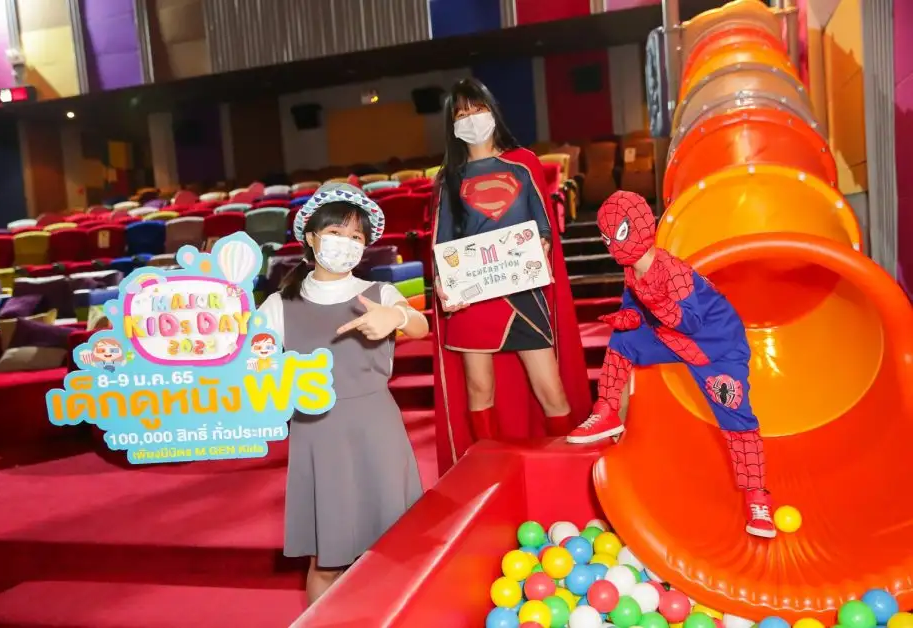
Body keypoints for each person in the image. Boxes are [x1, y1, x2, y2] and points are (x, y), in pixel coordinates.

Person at [566, 190, 775, 539]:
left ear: (640, 228)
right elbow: (634, 308)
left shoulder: (673, 272)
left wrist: (656, 303)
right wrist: (626, 317)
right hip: (672, 340)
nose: (612, 245)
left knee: (737, 421)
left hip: (716, 349)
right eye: (607, 238)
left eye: (617, 234)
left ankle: (758, 498)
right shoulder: (632, 271)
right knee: (622, 341)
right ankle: (607, 411)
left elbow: (690, 322)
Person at [258, 182, 427, 604]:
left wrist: (397, 316)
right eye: (336, 232)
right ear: (311, 237)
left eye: (356, 236)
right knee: (326, 561)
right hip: (318, 436)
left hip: (377, 430)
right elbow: (247, 362)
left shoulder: (379, 294)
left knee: (394, 548)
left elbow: (420, 325)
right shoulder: (278, 305)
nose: (345, 243)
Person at [432, 78, 591, 474]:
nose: (471, 119)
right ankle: (491, 475)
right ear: (452, 124)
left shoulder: (522, 164)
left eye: (477, 109)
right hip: (472, 295)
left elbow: (543, 225)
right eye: (462, 114)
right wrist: (441, 280)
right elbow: (443, 241)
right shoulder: (449, 178)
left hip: (522, 291)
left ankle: (568, 471)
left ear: (492, 111)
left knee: (550, 388)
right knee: (479, 389)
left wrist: (541, 246)